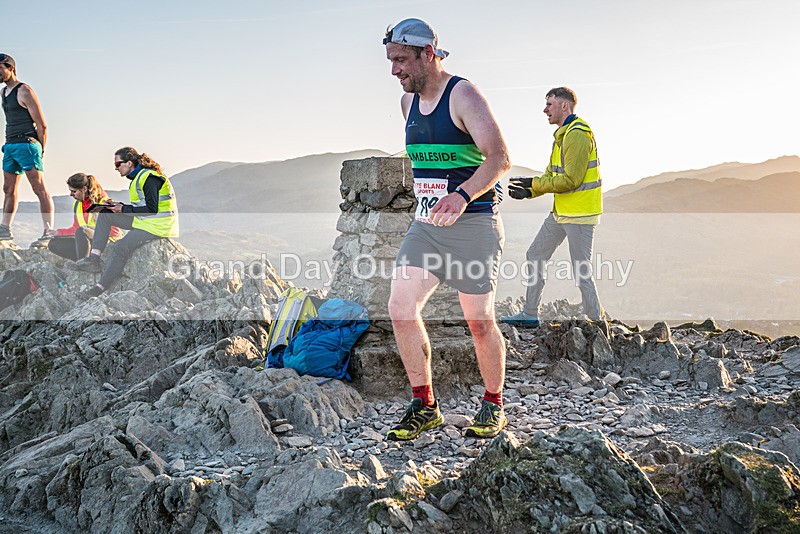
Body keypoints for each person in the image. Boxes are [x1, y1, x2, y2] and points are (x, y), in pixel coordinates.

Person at [383, 19, 511, 441]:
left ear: (427, 53)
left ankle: (493, 404)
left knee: (478, 321)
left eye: (401, 60)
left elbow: (498, 158)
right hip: (427, 226)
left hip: (473, 222)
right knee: (400, 307)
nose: (394, 70)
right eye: (390, 61)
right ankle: (425, 404)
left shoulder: (463, 94)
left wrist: (462, 195)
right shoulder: (407, 104)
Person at [501, 87, 604, 329]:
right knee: (535, 254)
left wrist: (534, 184)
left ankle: (596, 323)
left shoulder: (577, 134)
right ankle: (529, 314)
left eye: (549, 103)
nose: (545, 109)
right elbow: (551, 175)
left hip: (579, 214)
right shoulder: (561, 135)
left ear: (564, 106)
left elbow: (571, 180)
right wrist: (530, 191)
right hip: (561, 212)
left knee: (581, 270)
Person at [68, 147, 178, 297]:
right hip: (145, 221)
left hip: (158, 225)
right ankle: (94, 259)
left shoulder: (149, 177)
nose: (116, 169)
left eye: (118, 164)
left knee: (120, 247)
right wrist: (117, 207)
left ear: (129, 162)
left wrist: (124, 208)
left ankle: (99, 288)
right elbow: (141, 206)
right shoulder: (138, 177)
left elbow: (152, 209)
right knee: (105, 214)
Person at [0, 54, 55, 244]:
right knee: (8, 189)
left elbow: (42, 125)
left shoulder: (25, 91)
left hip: (27, 143)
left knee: (39, 188)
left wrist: (40, 150)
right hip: (10, 146)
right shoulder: (3, 93)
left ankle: (48, 231)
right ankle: (5, 229)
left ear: (11, 68)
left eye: (0, 68)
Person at [47, 173, 124, 261]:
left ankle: (83, 264)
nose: (71, 194)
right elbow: (75, 228)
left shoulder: (104, 202)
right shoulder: (77, 205)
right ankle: (83, 260)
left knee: (82, 231)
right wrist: (58, 232)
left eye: (74, 191)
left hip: (108, 242)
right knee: (54, 244)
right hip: (89, 241)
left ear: (84, 189)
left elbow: (115, 231)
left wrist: (89, 230)